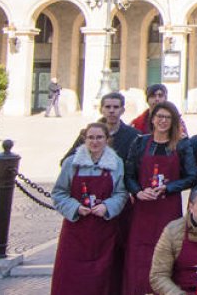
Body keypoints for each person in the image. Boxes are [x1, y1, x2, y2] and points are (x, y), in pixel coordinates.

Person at [124, 102, 197, 295]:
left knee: (168, 251)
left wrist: (169, 188)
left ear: (173, 120)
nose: (163, 121)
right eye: (159, 116)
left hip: (168, 207)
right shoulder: (140, 143)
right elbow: (129, 174)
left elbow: (192, 177)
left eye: (167, 117)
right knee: (140, 256)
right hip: (143, 210)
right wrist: (138, 191)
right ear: (153, 119)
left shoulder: (181, 144)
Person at [50, 122, 129, 295]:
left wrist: (107, 207)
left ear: (107, 140)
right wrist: (75, 208)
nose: (95, 142)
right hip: (75, 232)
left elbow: (121, 193)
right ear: (84, 139)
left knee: (103, 280)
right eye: (91, 137)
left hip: (104, 232)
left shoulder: (116, 163)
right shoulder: (71, 163)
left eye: (99, 137)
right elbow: (58, 193)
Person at [63, 92, 140, 167]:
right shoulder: (87, 134)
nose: (111, 111)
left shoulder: (134, 136)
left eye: (116, 107)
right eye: (107, 107)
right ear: (101, 110)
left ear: (122, 110)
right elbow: (66, 162)